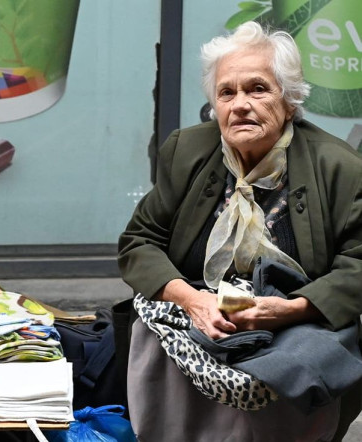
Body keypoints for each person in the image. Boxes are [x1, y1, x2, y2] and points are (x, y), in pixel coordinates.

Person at [118, 21, 362, 442]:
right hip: (203, 311)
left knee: (301, 360)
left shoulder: (338, 166)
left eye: (258, 89)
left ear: (289, 101)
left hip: (297, 320)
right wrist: (193, 301)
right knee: (148, 326)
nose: (240, 105)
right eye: (227, 93)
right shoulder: (188, 150)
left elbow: (357, 266)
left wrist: (289, 310)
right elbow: (139, 241)